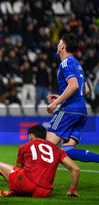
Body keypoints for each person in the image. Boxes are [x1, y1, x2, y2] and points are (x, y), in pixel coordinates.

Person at [0, 125, 80, 198]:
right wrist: (72, 190)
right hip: (45, 192)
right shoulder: (57, 150)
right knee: (26, 180)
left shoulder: (25, 146)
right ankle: (14, 193)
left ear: (31, 136)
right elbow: (75, 169)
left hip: (27, 184)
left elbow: (19, 169)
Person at [46, 33, 99, 162]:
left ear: (63, 46)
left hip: (68, 111)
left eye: (59, 43)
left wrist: (56, 103)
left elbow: (74, 85)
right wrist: (62, 95)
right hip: (81, 111)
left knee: (46, 149)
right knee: (66, 151)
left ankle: (35, 180)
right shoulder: (77, 64)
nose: (57, 45)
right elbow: (85, 90)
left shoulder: (65, 63)